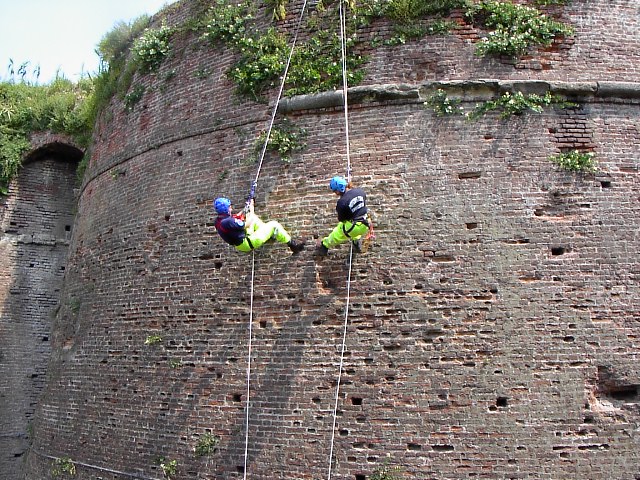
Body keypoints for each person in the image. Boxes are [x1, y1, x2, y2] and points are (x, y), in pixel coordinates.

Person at [214, 197, 305, 254]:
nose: (231, 208)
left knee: (253, 219)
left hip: (240, 243)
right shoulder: (228, 222)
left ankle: (268, 234)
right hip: (247, 243)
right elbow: (247, 223)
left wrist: (245, 209)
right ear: (225, 208)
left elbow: (236, 219)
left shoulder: (219, 221)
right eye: (229, 207)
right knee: (274, 225)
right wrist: (252, 207)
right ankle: (293, 245)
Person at [316, 176, 369, 256]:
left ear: (338, 189)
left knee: (339, 230)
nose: (336, 193)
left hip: (353, 228)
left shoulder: (342, 202)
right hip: (365, 225)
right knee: (355, 222)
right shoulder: (361, 192)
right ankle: (356, 241)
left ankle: (325, 245)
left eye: (335, 191)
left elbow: (342, 219)